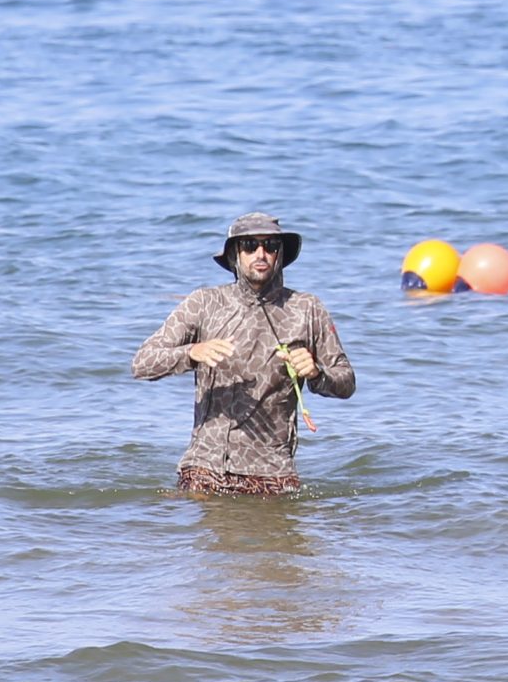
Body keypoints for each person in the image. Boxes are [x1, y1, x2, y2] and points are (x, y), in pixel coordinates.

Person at [130, 211, 356, 495]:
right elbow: (142, 363)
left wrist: (316, 374)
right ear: (235, 255)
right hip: (205, 468)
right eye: (250, 245)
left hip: (274, 474)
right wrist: (191, 353)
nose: (260, 253)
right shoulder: (205, 303)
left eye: (270, 246)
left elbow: (346, 382)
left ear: (280, 254)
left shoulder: (307, 309)